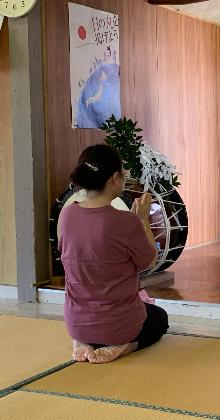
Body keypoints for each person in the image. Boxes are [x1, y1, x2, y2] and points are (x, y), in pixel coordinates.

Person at [59, 144, 169, 364]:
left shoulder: (67, 214)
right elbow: (149, 261)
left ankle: (84, 341)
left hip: (76, 323)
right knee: (159, 318)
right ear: (116, 178)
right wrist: (143, 220)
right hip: (118, 327)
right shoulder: (126, 221)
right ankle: (126, 345)